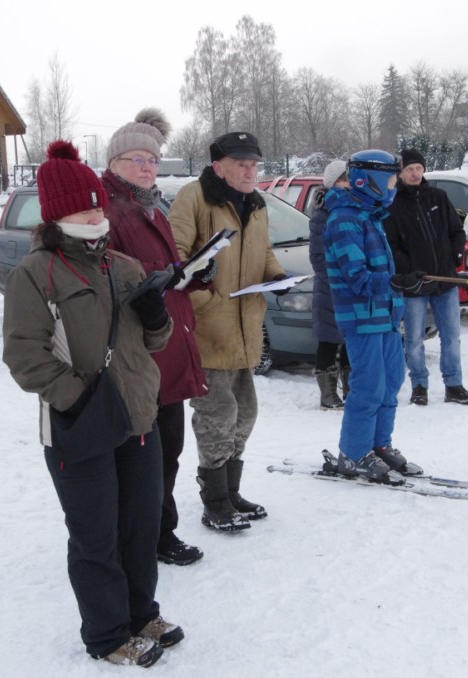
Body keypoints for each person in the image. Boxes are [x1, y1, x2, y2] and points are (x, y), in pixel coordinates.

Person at [2, 141, 180, 668]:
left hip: (138, 417)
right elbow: (24, 357)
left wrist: (157, 317)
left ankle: (141, 614)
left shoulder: (122, 266)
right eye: (84, 208)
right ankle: (107, 634)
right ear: (58, 214)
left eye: (98, 206)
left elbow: (154, 342)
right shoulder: (36, 273)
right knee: (95, 536)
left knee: (140, 527)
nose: (96, 215)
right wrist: (80, 400)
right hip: (79, 426)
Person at [103, 108, 212, 567]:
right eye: (137, 159)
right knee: (143, 458)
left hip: (169, 346)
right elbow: (112, 277)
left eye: (152, 159)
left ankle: (159, 532)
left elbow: (166, 271)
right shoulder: (107, 210)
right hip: (138, 357)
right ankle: (144, 538)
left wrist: (196, 274)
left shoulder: (151, 208)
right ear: (114, 163)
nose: (148, 167)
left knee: (168, 452)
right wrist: (162, 278)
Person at [168, 131, 286, 533]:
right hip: (209, 329)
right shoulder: (194, 198)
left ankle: (232, 492)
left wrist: (277, 276)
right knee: (216, 416)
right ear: (219, 167)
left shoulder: (256, 203)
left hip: (245, 329)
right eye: (241, 164)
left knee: (244, 414)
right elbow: (175, 258)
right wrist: (206, 297)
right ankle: (215, 501)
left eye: (254, 165)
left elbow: (264, 251)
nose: (250, 171)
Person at [322, 149, 413, 483]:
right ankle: (354, 452)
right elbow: (356, 277)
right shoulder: (344, 220)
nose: (393, 187)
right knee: (369, 387)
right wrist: (394, 280)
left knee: (391, 382)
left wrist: (404, 281)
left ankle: (378, 445)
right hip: (361, 318)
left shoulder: (370, 216)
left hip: (385, 315)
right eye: (389, 180)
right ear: (369, 181)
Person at [384, 149, 468, 407]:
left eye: (418, 168)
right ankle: (419, 386)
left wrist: (456, 255)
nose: (415, 173)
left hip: (445, 280)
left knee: (451, 337)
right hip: (415, 284)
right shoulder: (393, 204)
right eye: (409, 169)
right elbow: (392, 246)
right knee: (414, 340)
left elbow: (456, 231)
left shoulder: (438, 196)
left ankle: (454, 385)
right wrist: (409, 270)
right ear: (400, 173)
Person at [309, 159, 350, 409]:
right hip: (330, 290)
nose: (348, 184)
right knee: (329, 340)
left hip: (350, 287)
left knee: (349, 340)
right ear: (332, 183)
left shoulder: (353, 210)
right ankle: (327, 394)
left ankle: (350, 388)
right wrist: (337, 282)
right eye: (343, 180)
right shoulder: (322, 215)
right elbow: (318, 257)